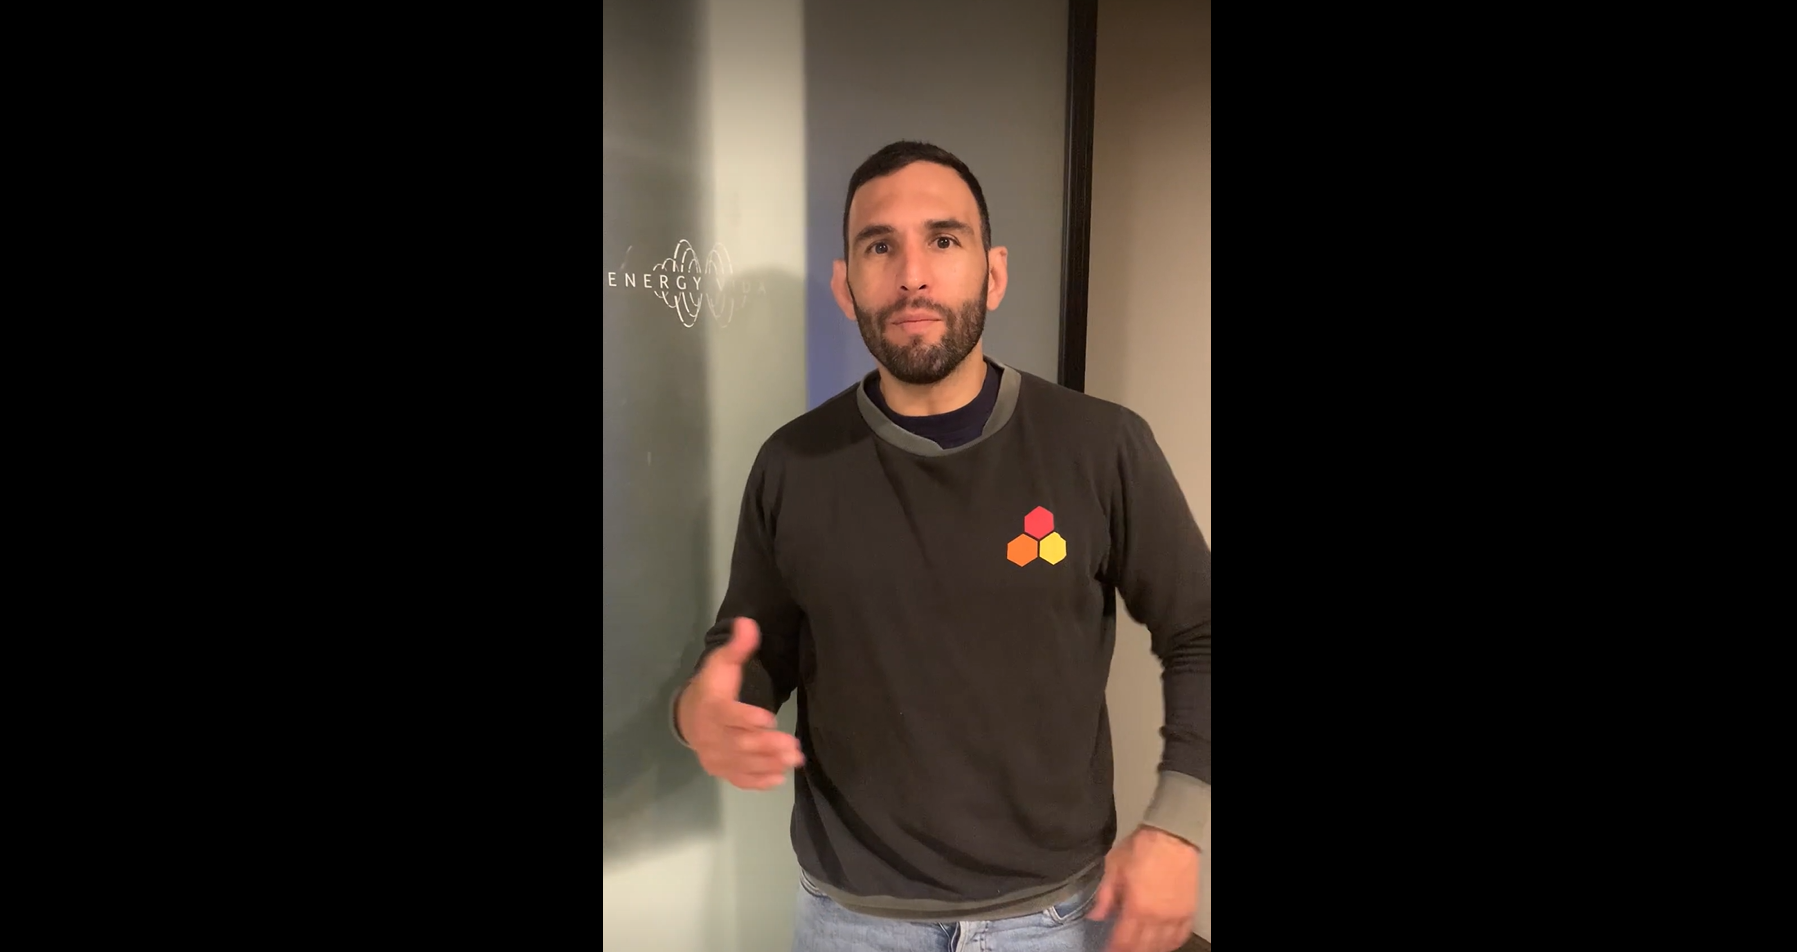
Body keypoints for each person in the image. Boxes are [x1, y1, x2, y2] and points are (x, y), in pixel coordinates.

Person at [672, 141, 1211, 952]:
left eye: (944, 239)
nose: (912, 275)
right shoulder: (792, 464)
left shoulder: (1100, 447)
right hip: (849, 922)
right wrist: (702, 713)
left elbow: (1199, 629)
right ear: (845, 286)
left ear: (993, 273)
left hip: (1054, 920)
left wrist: (1178, 824)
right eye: (878, 247)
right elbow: (754, 647)